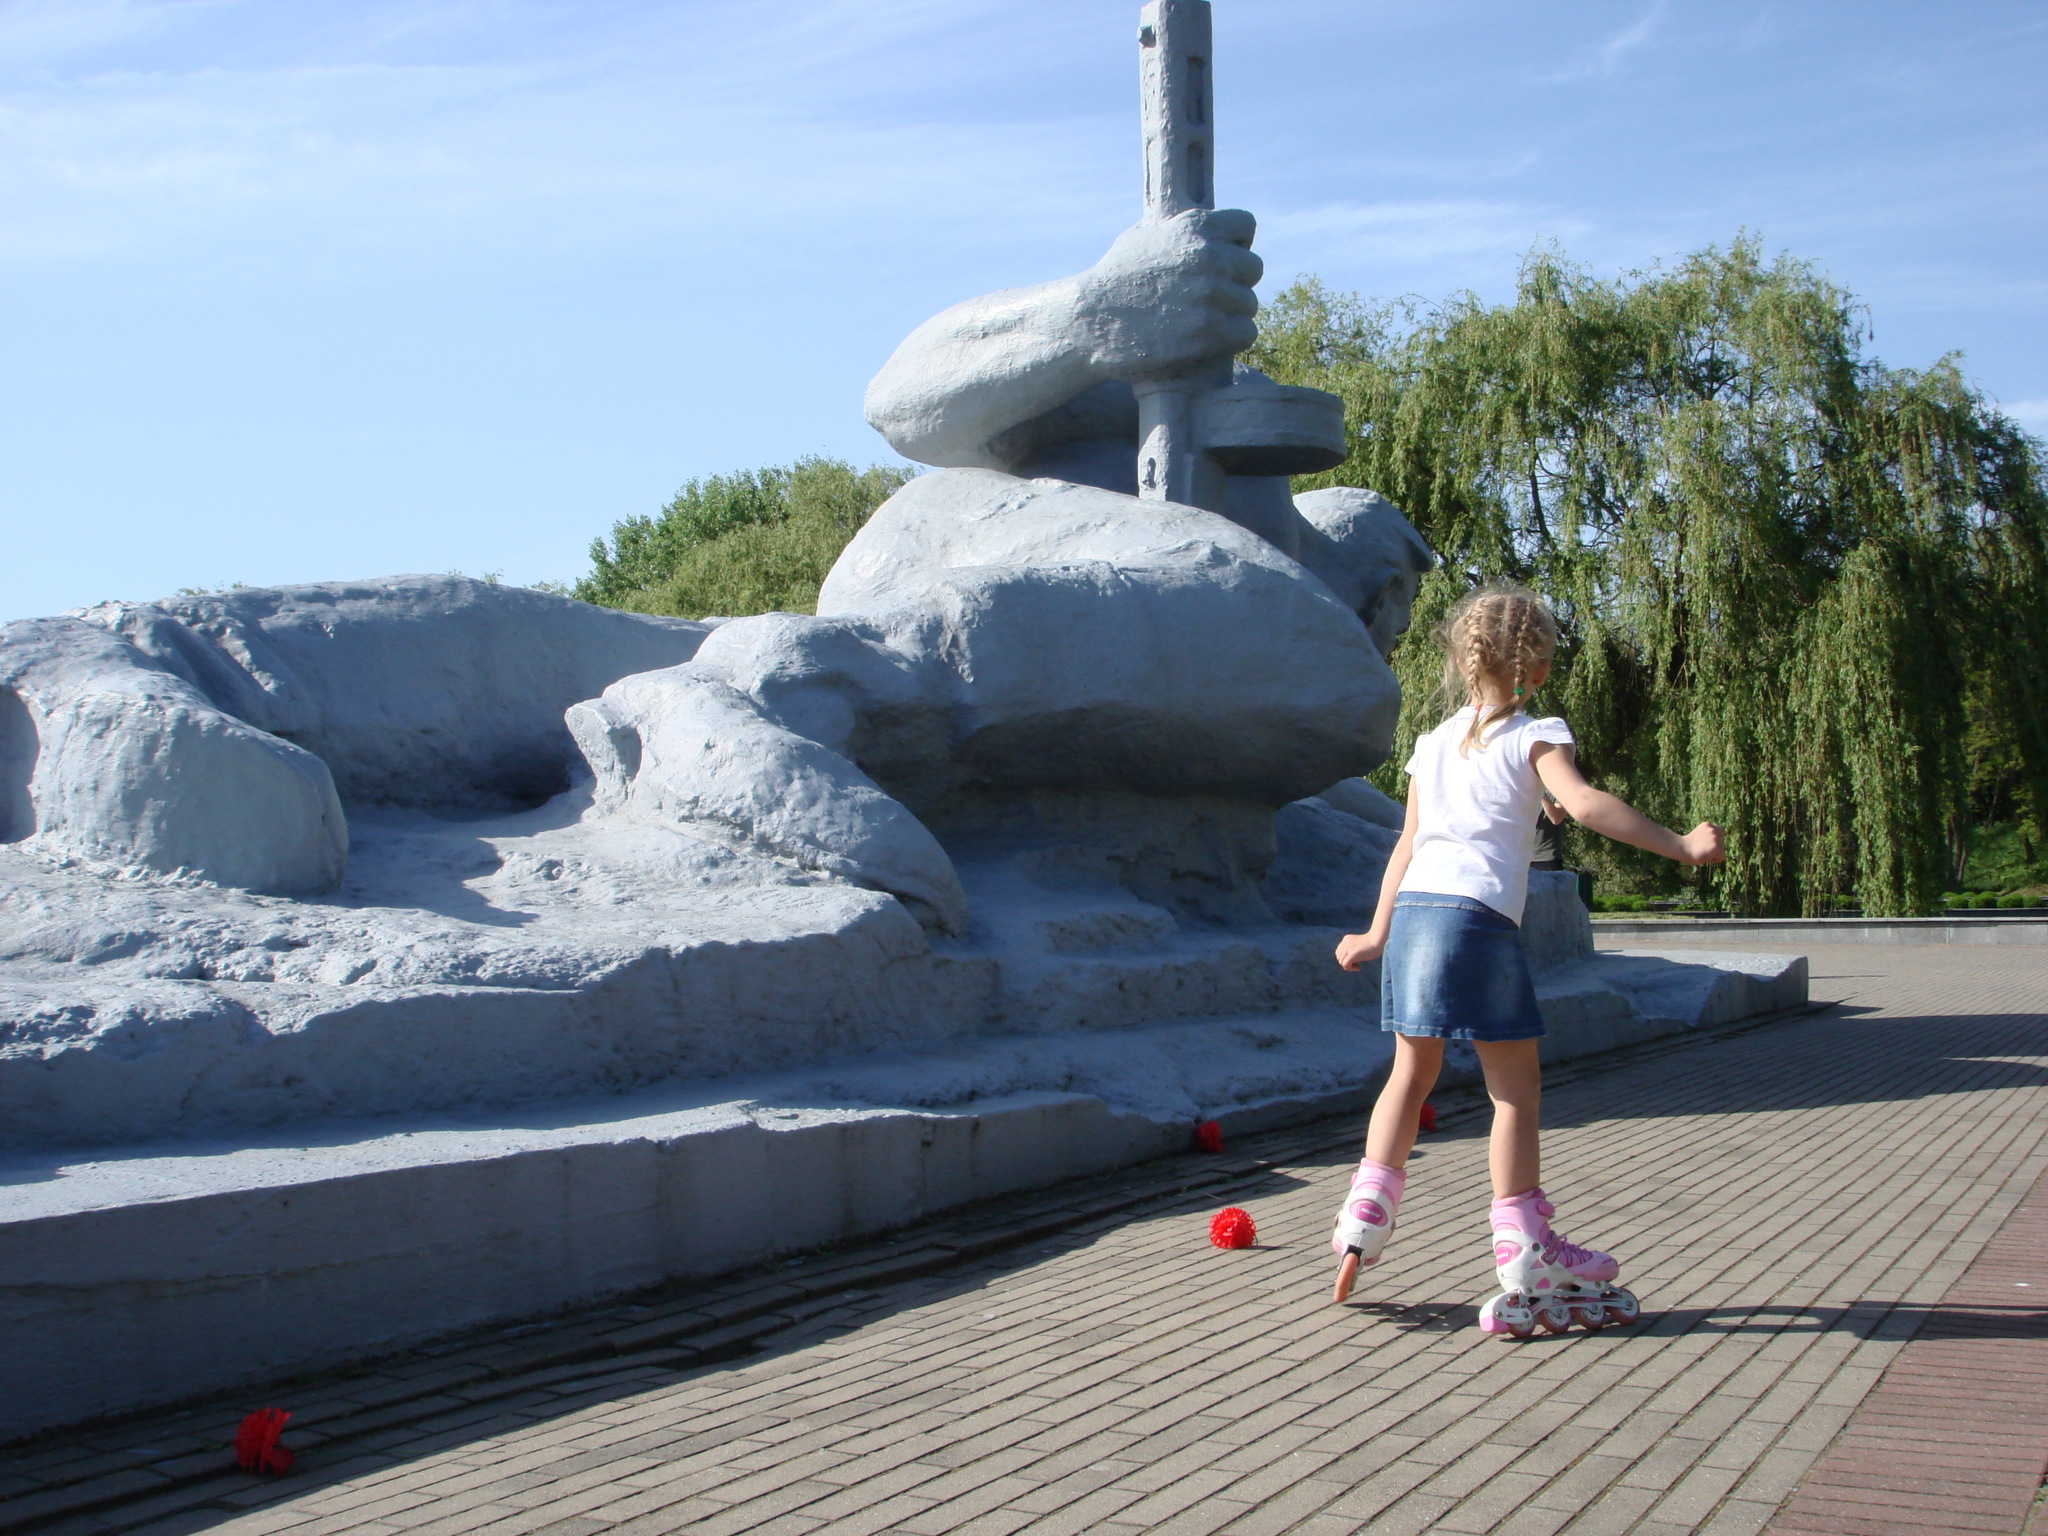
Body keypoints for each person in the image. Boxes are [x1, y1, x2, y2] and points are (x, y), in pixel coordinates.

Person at [1329, 584, 1725, 1336]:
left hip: (1416, 916)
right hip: (1477, 922)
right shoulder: (1537, 732)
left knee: (1409, 1075)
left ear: (1463, 659)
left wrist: (1375, 933)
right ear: (1534, 667)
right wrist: (1681, 845)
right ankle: (1525, 1244)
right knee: (1515, 1092)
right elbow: (1582, 804)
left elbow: (1409, 846)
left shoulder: (1434, 742)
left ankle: (1366, 1214)